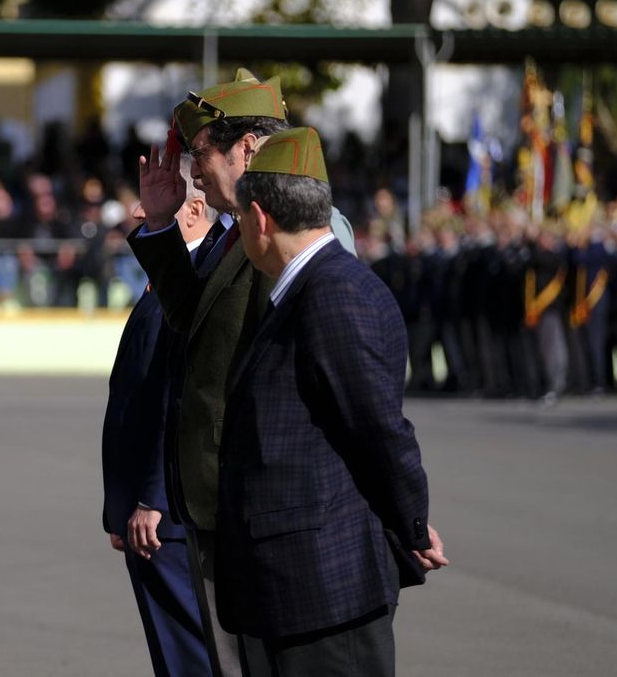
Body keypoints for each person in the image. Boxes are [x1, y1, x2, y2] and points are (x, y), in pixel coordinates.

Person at [129, 70, 353, 677]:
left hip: (268, 503)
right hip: (220, 499)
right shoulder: (238, 235)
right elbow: (194, 328)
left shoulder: (300, 229)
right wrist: (157, 226)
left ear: (249, 147)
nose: (193, 171)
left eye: (201, 152)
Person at [216, 126, 447, 677]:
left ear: (261, 220)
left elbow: (378, 431)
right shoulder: (309, 288)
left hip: (324, 590)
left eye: (243, 219)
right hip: (295, 587)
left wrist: (412, 523)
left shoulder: (333, 293)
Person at [101, 157, 216, 677]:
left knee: (190, 656)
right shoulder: (167, 277)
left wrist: (152, 499)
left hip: (165, 519)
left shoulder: (194, 279)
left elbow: (180, 399)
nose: (135, 209)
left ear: (193, 209)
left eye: (153, 199)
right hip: (147, 514)